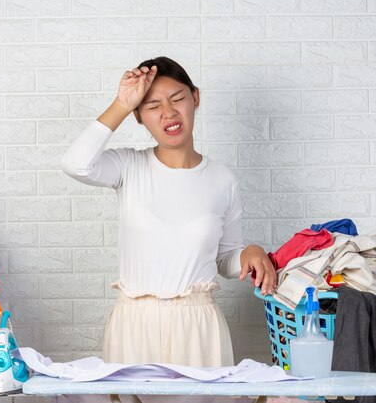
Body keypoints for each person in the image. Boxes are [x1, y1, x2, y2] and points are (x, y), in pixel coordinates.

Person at [61, 56, 277, 368]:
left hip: (199, 327)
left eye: (177, 99)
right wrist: (122, 103)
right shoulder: (128, 167)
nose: (168, 113)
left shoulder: (222, 179)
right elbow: (75, 163)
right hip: (134, 324)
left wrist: (250, 253)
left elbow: (225, 259)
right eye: (152, 106)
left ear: (195, 98)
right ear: (138, 116)